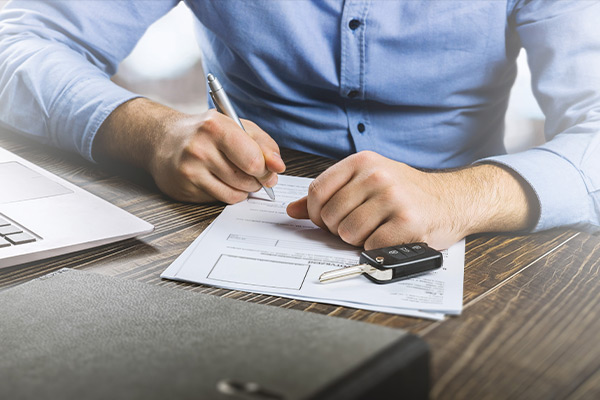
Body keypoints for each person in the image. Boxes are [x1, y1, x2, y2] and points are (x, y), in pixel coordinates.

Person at [0, 1, 598, 251]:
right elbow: (16, 38)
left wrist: (460, 196)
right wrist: (148, 130)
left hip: (477, 243)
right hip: (231, 215)